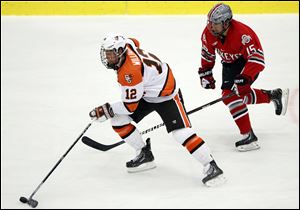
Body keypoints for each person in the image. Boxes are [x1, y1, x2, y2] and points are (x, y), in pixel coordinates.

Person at [89, 34, 226, 186]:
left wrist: (106, 110)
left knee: (180, 133)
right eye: (106, 53)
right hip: (147, 92)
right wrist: (111, 112)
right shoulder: (127, 45)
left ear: (120, 51)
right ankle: (144, 154)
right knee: (118, 120)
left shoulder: (130, 72)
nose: (107, 57)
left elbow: (129, 106)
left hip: (167, 96)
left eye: (110, 53)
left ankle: (212, 166)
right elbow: (135, 41)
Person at [198, 3, 289, 152]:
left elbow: (257, 58)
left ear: (226, 23)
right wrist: (206, 73)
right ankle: (272, 95)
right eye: (210, 22)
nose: (211, 27)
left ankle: (249, 137)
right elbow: (207, 53)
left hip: (247, 64)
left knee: (230, 96)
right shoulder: (208, 33)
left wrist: (245, 76)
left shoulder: (243, 34)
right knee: (241, 95)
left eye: (215, 23)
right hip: (229, 65)